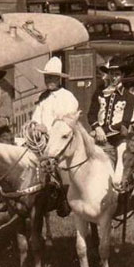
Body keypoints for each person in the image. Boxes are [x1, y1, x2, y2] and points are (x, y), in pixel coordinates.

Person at [30, 56, 79, 217]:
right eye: (47, 77)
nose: (49, 80)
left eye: (52, 77)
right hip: (41, 142)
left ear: (59, 78)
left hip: (61, 143)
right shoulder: (42, 97)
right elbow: (36, 117)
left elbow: (67, 127)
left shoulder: (68, 98)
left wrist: (47, 130)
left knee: (62, 170)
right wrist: (35, 126)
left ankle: (65, 201)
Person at [88, 56, 134, 163]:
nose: (114, 77)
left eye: (117, 74)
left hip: (117, 138)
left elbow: (124, 123)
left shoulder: (129, 97)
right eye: (112, 74)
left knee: (120, 164)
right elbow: (91, 114)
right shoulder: (100, 92)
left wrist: (102, 131)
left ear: (122, 75)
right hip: (98, 136)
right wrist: (97, 128)